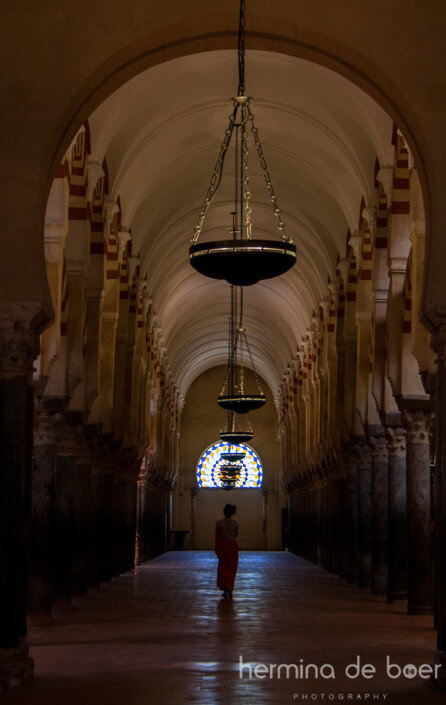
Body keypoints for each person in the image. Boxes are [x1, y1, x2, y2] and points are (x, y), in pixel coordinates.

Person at [215, 504, 239, 599]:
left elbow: (217, 535)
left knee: (223, 567)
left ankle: (225, 589)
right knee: (232, 568)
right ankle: (230, 589)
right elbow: (236, 534)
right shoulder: (235, 523)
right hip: (232, 546)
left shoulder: (219, 523)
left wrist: (217, 547)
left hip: (222, 545)